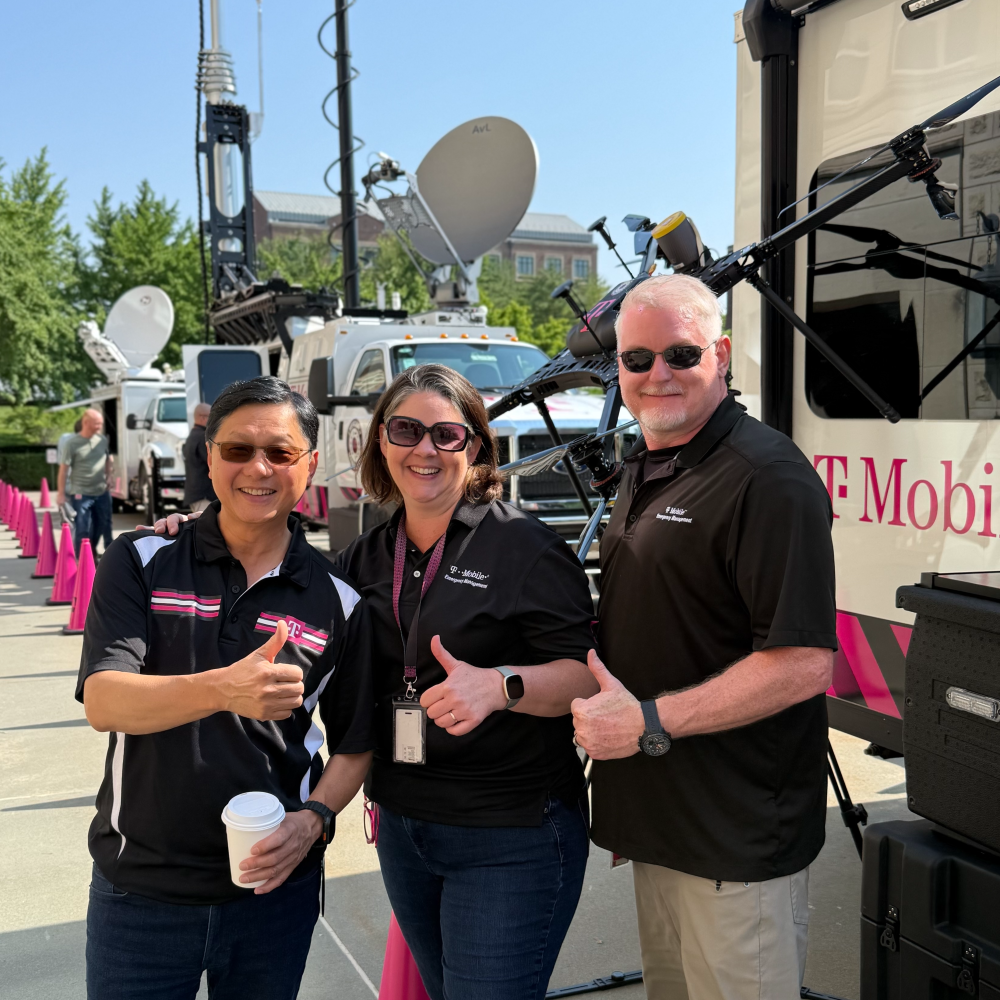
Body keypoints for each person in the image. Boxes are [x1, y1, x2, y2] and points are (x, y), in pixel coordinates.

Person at [154, 364, 600, 1000]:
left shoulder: (524, 548)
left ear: (474, 446)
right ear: (380, 443)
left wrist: (504, 684)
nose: (426, 449)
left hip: (510, 832)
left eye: (447, 434)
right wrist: (188, 533)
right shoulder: (362, 558)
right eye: (406, 430)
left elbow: (587, 678)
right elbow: (272, 577)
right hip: (404, 827)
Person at [571, 274, 837, 1000]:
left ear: (720, 353)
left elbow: (803, 663)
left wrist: (646, 724)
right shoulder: (647, 463)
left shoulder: (769, 477)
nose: (658, 374)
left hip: (736, 840)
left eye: (681, 354)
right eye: (637, 359)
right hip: (662, 826)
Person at [77, 376, 375, 1000]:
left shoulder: (339, 599)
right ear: (208, 458)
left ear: (311, 465)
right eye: (237, 450)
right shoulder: (140, 559)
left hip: (274, 892)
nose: (257, 468)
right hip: (142, 890)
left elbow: (354, 745)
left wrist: (314, 819)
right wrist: (223, 689)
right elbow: (105, 701)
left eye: (280, 452)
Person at [57, 408, 113, 557]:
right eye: (97, 424)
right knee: (82, 527)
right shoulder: (72, 444)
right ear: (86, 423)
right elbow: (63, 470)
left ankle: (90, 551)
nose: (100, 427)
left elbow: (108, 459)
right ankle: (81, 559)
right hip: (81, 492)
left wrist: (109, 476)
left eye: (101, 424)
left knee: (101, 524)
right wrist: (61, 494)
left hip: (101, 491)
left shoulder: (102, 440)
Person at [184, 401, 217, 512]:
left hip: (196, 495)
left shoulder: (192, 436)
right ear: (202, 418)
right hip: (204, 496)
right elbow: (216, 463)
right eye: (212, 416)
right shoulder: (203, 438)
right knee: (209, 528)